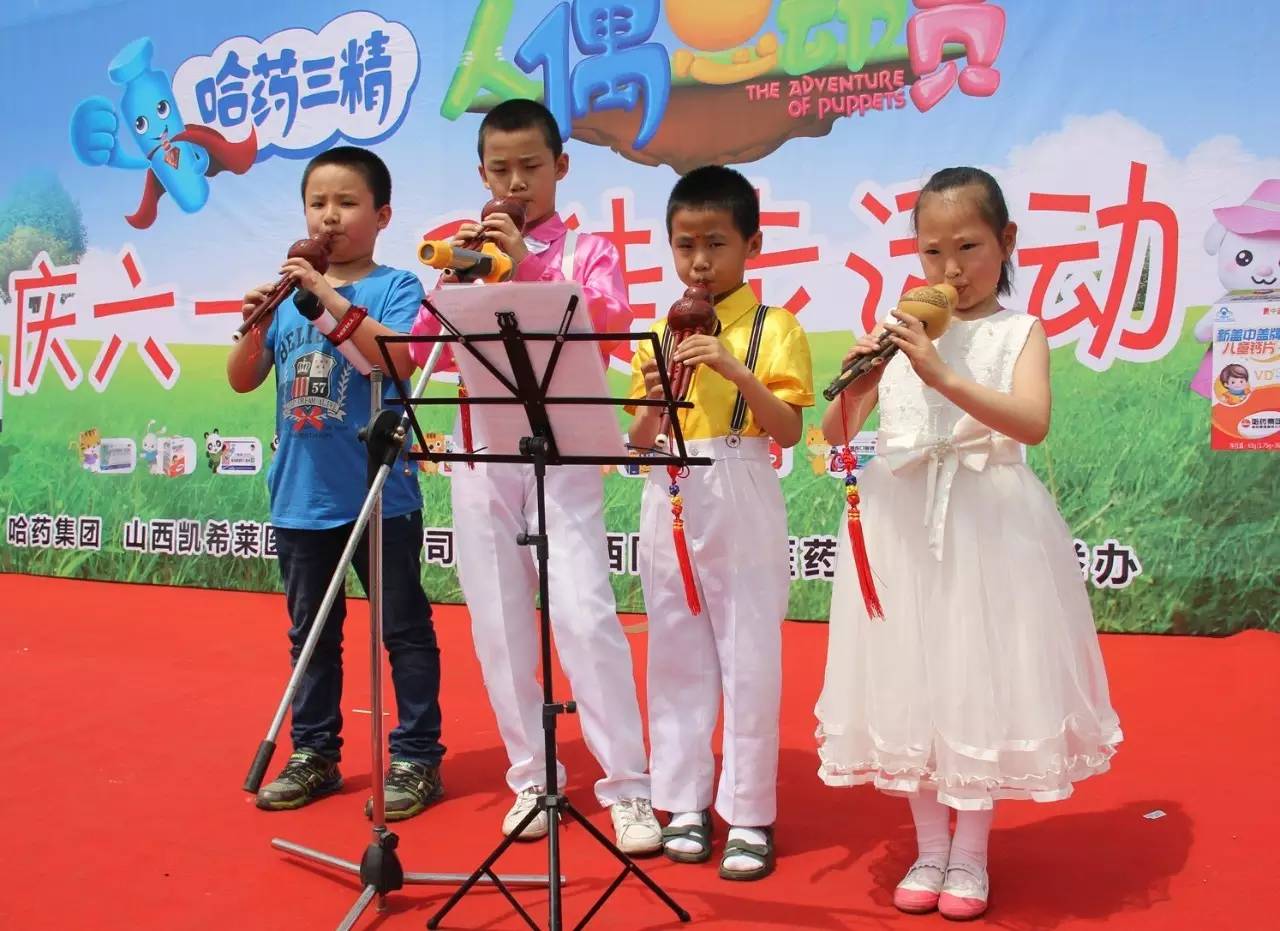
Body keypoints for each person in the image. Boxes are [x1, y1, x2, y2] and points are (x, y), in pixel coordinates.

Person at [815, 166, 1122, 919]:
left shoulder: (1020, 331)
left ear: (1005, 240)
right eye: (932, 252)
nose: (950, 269)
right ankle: (928, 847)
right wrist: (862, 380)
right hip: (899, 521)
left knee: (979, 675)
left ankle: (972, 854)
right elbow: (835, 435)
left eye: (968, 247)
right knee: (909, 676)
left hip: (987, 523)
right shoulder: (900, 331)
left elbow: (1031, 422)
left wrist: (939, 373)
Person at [410, 99, 661, 854]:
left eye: (530, 167)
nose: (515, 183)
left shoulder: (588, 250)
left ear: (561, 166)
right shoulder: (462, 249)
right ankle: (531, 775)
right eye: (500, 169)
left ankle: (629, 785)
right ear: (481, 173)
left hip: (564, 444)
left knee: (583, 612)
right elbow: (423, 347)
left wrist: (525, 265)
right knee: (497, 619)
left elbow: (609, 326)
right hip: (482, 449)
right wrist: (456, 277)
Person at [228, 146, 445, 821]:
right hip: (300, 496)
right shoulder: (285, 302)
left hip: (380, 496)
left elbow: (397, 362)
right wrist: (260, 320)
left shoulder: (396, 286)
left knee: (403, 629)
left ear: (382, 216)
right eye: (317, 203)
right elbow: (242, 377)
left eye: (346, 203)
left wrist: (323, 294)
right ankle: (314, 752)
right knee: (311, 637)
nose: (329, 216)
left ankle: (417, 755)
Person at [628, 165, 814, 880]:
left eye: (716, 243)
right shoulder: (659, 329)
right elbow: (639, 439)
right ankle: (683, 802)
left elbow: (788, 430)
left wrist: (734, 369)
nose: (700, 262)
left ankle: (750, 813)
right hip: (670, 482)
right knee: (675, 651)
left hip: (740, 476)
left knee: (748, 652)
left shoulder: (776, 326)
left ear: (751, 245)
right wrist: (654, 398)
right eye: (685, 245)